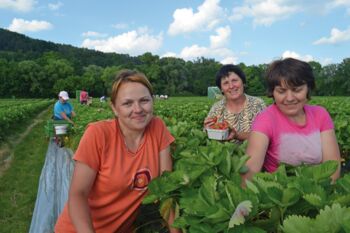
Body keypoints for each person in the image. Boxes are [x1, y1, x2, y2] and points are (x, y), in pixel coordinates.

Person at [54, 70, 180, 233]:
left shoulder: (158, 128)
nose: (138, 109)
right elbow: (78, 194)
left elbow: (166, 188)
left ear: (152, 101)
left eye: (144, 100)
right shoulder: (98, 134)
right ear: (114, 108)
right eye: (127, 103)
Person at [244, 57, 341, 182]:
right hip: (281, 193)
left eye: (297, 90)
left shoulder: (320, 114)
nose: (289, 98)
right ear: (273, 92)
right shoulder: (265, 119)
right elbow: (250, 170)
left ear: (308, 89)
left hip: (318, 187)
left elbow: (333, 166)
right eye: (281, 91)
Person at [204, 64, 266, 143]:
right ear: (221, 89)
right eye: (226, 83)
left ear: (243, 82)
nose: (231, 86)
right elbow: (208, 136)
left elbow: (266, 134)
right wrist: (208, 130)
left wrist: (237, 135)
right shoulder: (217, 108)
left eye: (234, 80)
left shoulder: (257, 104)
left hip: (253, 154)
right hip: (225, 154)